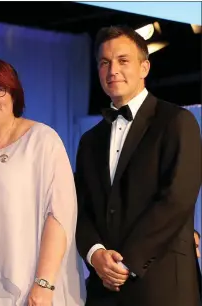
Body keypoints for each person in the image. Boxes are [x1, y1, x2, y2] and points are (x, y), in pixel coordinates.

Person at [75, 25, 202, 306]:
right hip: (103, 289)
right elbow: (80, 207)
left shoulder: (177, 122)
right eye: (104, 63)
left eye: (123, 61)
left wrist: (127, 262)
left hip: (162, 285)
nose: (112, 70)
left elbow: (177, 198)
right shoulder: (89, 140)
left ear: (144, 67)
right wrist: (96, 254)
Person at [0, 58, 86, 306]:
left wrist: (44, 283)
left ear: (13, 93)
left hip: (26, 277)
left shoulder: (42, 140)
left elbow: (59, 214)